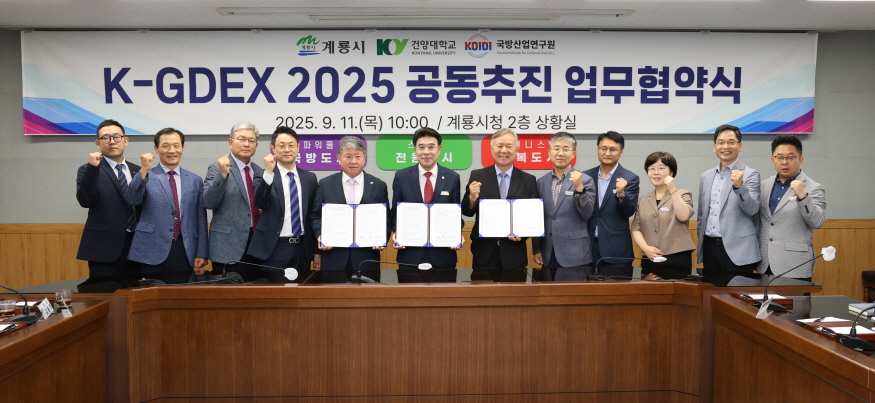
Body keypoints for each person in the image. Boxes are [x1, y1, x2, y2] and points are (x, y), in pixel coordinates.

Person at [126, 128, 209, 284]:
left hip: (184, 248)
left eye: (176, 145)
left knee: (182, 294)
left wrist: (201, 252)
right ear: (156, 149)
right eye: (165, 146)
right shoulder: (146, 175)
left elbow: (201, 219)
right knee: (152, 295)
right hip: (151, 247)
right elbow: (132, 199)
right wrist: (143, 170)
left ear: (182, 148)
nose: (171, 150)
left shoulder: (195, 180)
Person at [462, 128, 539, 282]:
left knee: (515, 295)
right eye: (499, 146)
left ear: (517, 150)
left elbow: (533, 217)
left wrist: (522, 233)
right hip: (484, 253)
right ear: (491, 150)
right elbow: (467, 211)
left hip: (514, 254)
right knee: (483, 295)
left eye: (509, 146)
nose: (504, 150)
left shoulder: (528, 180)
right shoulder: (478, 175)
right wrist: (472, 197)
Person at [389, 127, 462, 283]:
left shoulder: (452, 177)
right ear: (415, 149)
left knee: (444, 297)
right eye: (421, 147)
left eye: (431, 147)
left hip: (443, 255)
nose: (426, 152)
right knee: (409, 297)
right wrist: (396, 231)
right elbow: (395, 212)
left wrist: (457, 233)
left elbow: (456, 213)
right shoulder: (402, 176)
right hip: (410, 254)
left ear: (439, 149)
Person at [246, 127, 319, 283]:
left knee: (301, 292)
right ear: (273, 148)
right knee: (274, 293)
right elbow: (260, 202)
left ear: (298, 147)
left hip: (302, 247)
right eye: (282, 145)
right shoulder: (263, 175)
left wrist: (316, 251)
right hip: (274, 247)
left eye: (291, 145)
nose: (287, 149)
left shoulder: (310, 178)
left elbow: (313, 215)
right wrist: (268, 172)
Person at [75, 119, 141, 291]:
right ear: (98, 143)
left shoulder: (138, 170)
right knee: (104, 296)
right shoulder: (88, 169)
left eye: (117, 137)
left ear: (126, 141)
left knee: (136, 297)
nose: (112, 141)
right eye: (106, 138)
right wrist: (92, 168)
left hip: (137, 248)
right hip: (104, 249)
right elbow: (85, 201)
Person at [312, 136, 389, 283]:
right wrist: (320, 234)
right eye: (348, 156)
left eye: (358, 156)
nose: (353, 161)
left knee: (367, 296)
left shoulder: (378, 185)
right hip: (334, 255)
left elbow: (386, 218)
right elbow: (316, 215)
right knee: (333, 295)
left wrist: (382, 238)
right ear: (338, 158)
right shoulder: (325, 184)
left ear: (364, 158)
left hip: (367, 257)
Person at [758, 134, 826, 280]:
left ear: (800, 159)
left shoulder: (813, 187)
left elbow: (817, 222)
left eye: (790, 157)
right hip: (764, 263)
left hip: (795, 264)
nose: (784, 162)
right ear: (772, 160)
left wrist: (803, 197)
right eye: (779, 157)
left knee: (796, 297)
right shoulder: (763, 186)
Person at [202, 122, 263, 281]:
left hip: (256, 244)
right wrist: (222, 175)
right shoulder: (217, 168)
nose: (246, 144)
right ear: (230, 142)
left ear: (256, 145)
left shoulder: (260, 171)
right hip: (227, 246)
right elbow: (208, 202)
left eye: (251, 140)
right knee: (228, 292)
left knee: (257, 291)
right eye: (241, 139)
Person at [532, 132, 596, 281]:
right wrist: (537, 248)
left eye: (566, 149)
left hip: (575, 254)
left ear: (573, 153)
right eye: (556, 148)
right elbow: (538, 218)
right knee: (549, 294)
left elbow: (587, 214)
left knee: (573, 295)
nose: (561, 153)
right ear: (549, 152)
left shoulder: (585, 180)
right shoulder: (541, 182)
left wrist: (579, 188)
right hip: (548, 253)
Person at [697, 124, 761, 272]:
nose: (726, 146)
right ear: (714, 147)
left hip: (739, 251)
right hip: (710, 248)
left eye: (731, 142)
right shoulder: (706, 176)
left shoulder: (750, 174)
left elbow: (753, 210)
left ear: (740, 146)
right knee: (710, 287)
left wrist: (740, 187)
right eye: (721, 142)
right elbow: (702, 215)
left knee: (739, 288)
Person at [631, 152, 697, 280]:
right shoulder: (643, 200)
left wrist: (672, 189)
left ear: (671, 172)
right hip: (650, 257)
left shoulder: (683, 194)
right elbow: (636, 229)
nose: (656, 172)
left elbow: (683, 216)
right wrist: (646, 248)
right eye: (651, 169)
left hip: (677, 258)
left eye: (661, 168)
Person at [583, 131, 640, 272]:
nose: (607, 153)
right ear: (598, 150)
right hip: (588, 247)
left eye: (613, 149)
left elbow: (629, 211)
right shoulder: (586, 176)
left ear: (621, 152)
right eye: (603, 148)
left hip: (616, 249)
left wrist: (621, 194)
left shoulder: (630, 178)